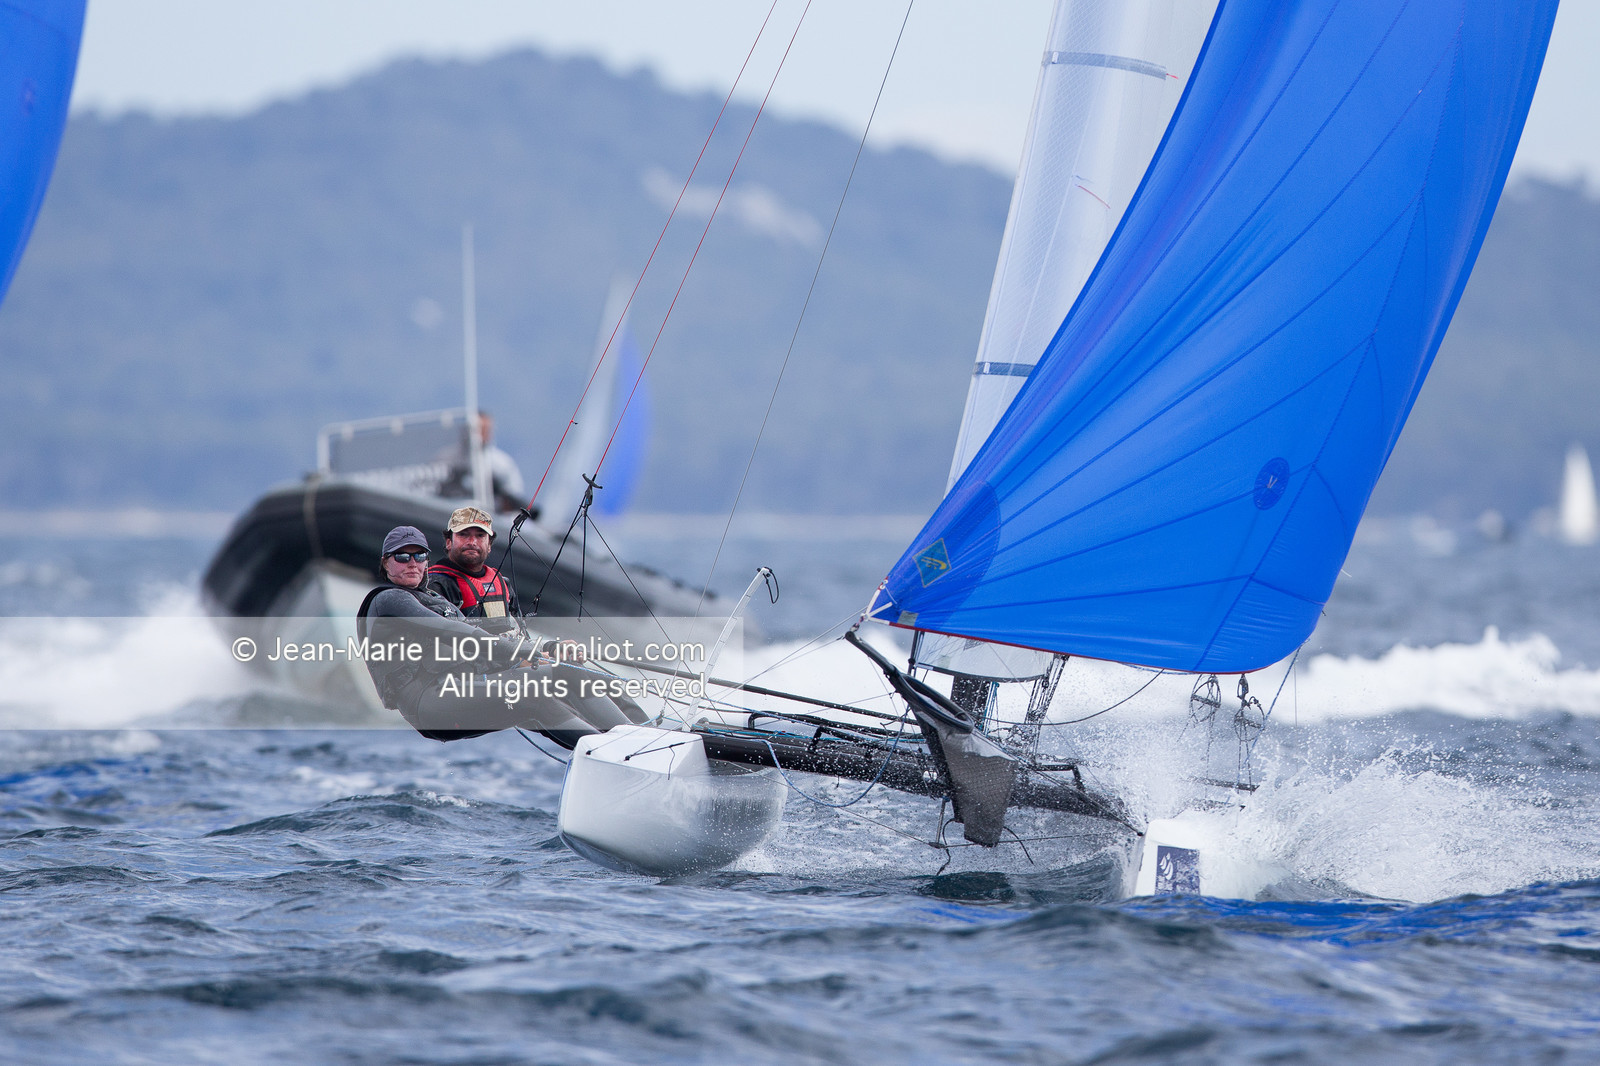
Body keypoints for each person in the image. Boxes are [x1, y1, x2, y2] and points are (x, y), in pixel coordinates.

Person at [357, 525, 643, 745]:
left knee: (560, 685)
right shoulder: (389, 600)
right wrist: (522, 654)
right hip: (430, 702)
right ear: (385, 563)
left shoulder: (431, 598)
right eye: (402, 556)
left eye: (419, 556)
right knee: (558, 679)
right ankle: (625, 747)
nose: (412, 563)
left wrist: (548, 649)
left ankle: (646, 737)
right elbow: (456, 632)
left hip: (456, 689)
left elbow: (487, 639)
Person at [425, 506, 518, 631]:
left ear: (489, 545)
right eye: (463, 534)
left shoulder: (504, 584)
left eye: (480, 536)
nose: (472, 542)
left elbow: (521, 632)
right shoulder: (435, 583)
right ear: (449, 542)